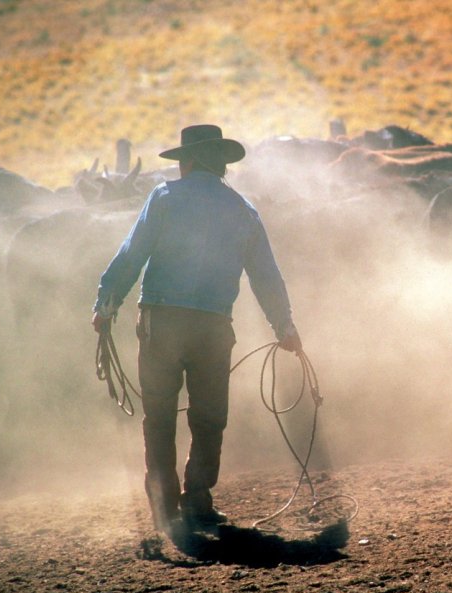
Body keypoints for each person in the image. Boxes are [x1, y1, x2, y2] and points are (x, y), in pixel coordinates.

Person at [91, 124, 302, 532]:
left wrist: (106, 304)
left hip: (161, 321)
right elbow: (266, 277)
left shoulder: (165, 198)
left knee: (159, 415)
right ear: (221, 164)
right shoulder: (243, 210)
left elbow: (132, 254)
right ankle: (199, 499)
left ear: (186, 162)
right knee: (209, 416)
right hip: (212, 326)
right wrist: (284, 326)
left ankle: (164, 504)